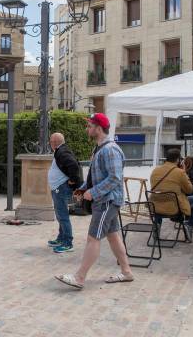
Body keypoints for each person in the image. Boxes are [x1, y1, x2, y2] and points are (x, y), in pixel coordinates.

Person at [55, 113, 133, 290]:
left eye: (90, 125)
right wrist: (83, 189)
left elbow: (114, 178)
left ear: (98, 128)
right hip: (106, 199)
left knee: (93, 238)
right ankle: (127, 272)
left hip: (107, 200)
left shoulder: (109, 149)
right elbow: (97, 177)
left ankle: (79, 277)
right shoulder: (100, 148)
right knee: (113, 236)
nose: (87, 128)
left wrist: (93, 192)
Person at [150, 148, 193, 237]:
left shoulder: (155, 170)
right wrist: (184, 172)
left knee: (161, 198)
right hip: (173, 207)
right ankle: (190, 226)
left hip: (155, 206)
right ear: (178, 160)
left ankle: (157, 226)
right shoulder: (180, 172)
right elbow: (190, 190)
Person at [47, 132, 82, 253]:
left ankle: (67, 242)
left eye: (51, 141)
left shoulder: (62, 151)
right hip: (58, 188)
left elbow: (73, 165)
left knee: (62, 215)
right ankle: (61, 238)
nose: (50, 143)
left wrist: (73, 180)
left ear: (54, 142)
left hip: (61, 188)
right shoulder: (60, 151)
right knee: (60, 214)